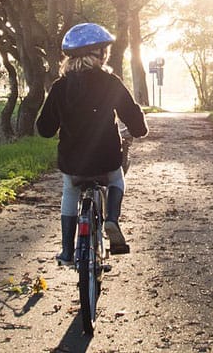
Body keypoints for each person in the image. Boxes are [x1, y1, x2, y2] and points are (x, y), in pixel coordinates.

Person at [37, 22, 148, 264]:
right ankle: (112, 220)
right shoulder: (111, 83)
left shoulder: (60, 87)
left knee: (70, 190)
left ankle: (67, 250)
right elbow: (135, 122)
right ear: (99, 54)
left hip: (73, 163)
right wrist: (138, 126)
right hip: (106, 160)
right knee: (117, 180)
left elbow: (44, 129)